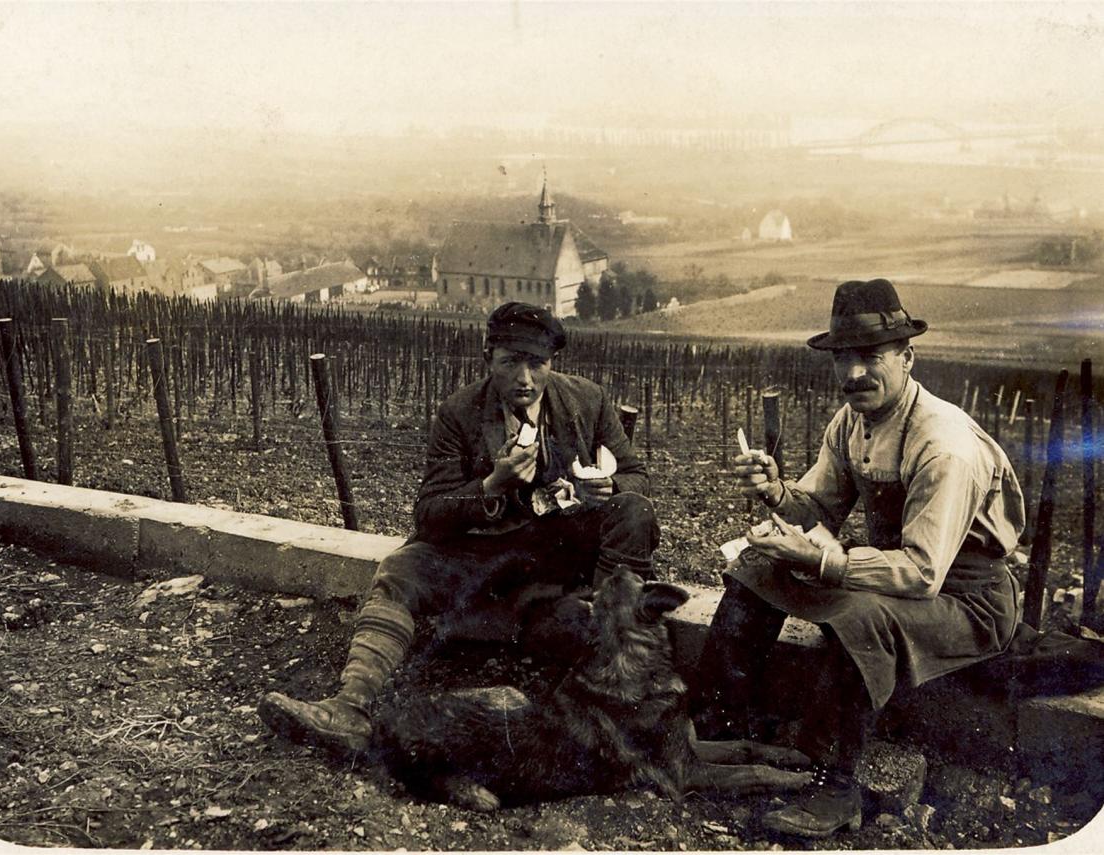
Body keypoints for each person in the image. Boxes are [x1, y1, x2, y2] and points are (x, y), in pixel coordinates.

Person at [691, 278, 1025, 838]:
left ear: (907, 357)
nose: (852, 374)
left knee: (857, 615)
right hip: (895, 573)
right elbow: (818, 505)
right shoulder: (851, 421)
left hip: (966, 601)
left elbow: (921, 573)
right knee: (757, 566)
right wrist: (777, 492)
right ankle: (719, 727)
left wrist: (824, 561)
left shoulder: (943, 445)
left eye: (870, 357)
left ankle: (835, 785)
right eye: (843, 359)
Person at [259, 301, 659, 757]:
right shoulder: (460, 413)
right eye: (511, 363)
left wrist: (605, 487)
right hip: (484, 556)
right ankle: (350, 708)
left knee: (634, 511)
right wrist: (493, 483)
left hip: (558, 552)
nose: (524, 379)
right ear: (488, 359)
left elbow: (636, 474)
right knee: (401, 570)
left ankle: (613, 677)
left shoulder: (587, 400)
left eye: (537, 364)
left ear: (551, 364)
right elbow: (430, 513)